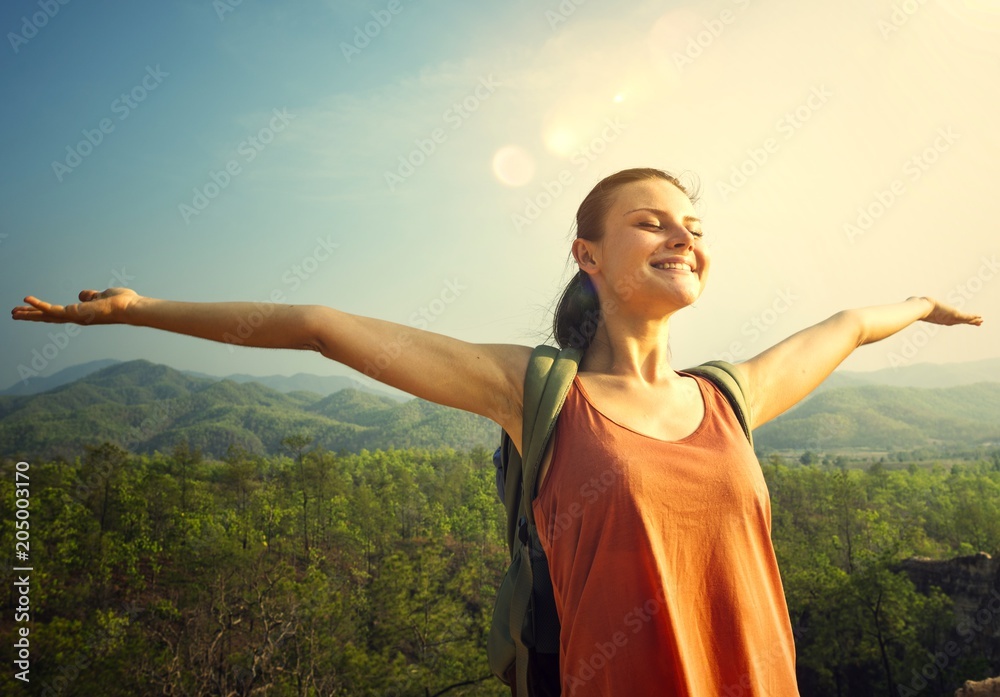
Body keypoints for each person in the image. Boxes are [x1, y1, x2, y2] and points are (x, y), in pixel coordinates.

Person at [10, 167, 984, 695]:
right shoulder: (537, 392)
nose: (683, 235)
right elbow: (319, 327)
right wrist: (139, 310)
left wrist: (922, 302)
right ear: (587, 254)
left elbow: (848, 324)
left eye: (693, 223)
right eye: (651, 222)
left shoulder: (731, 397)